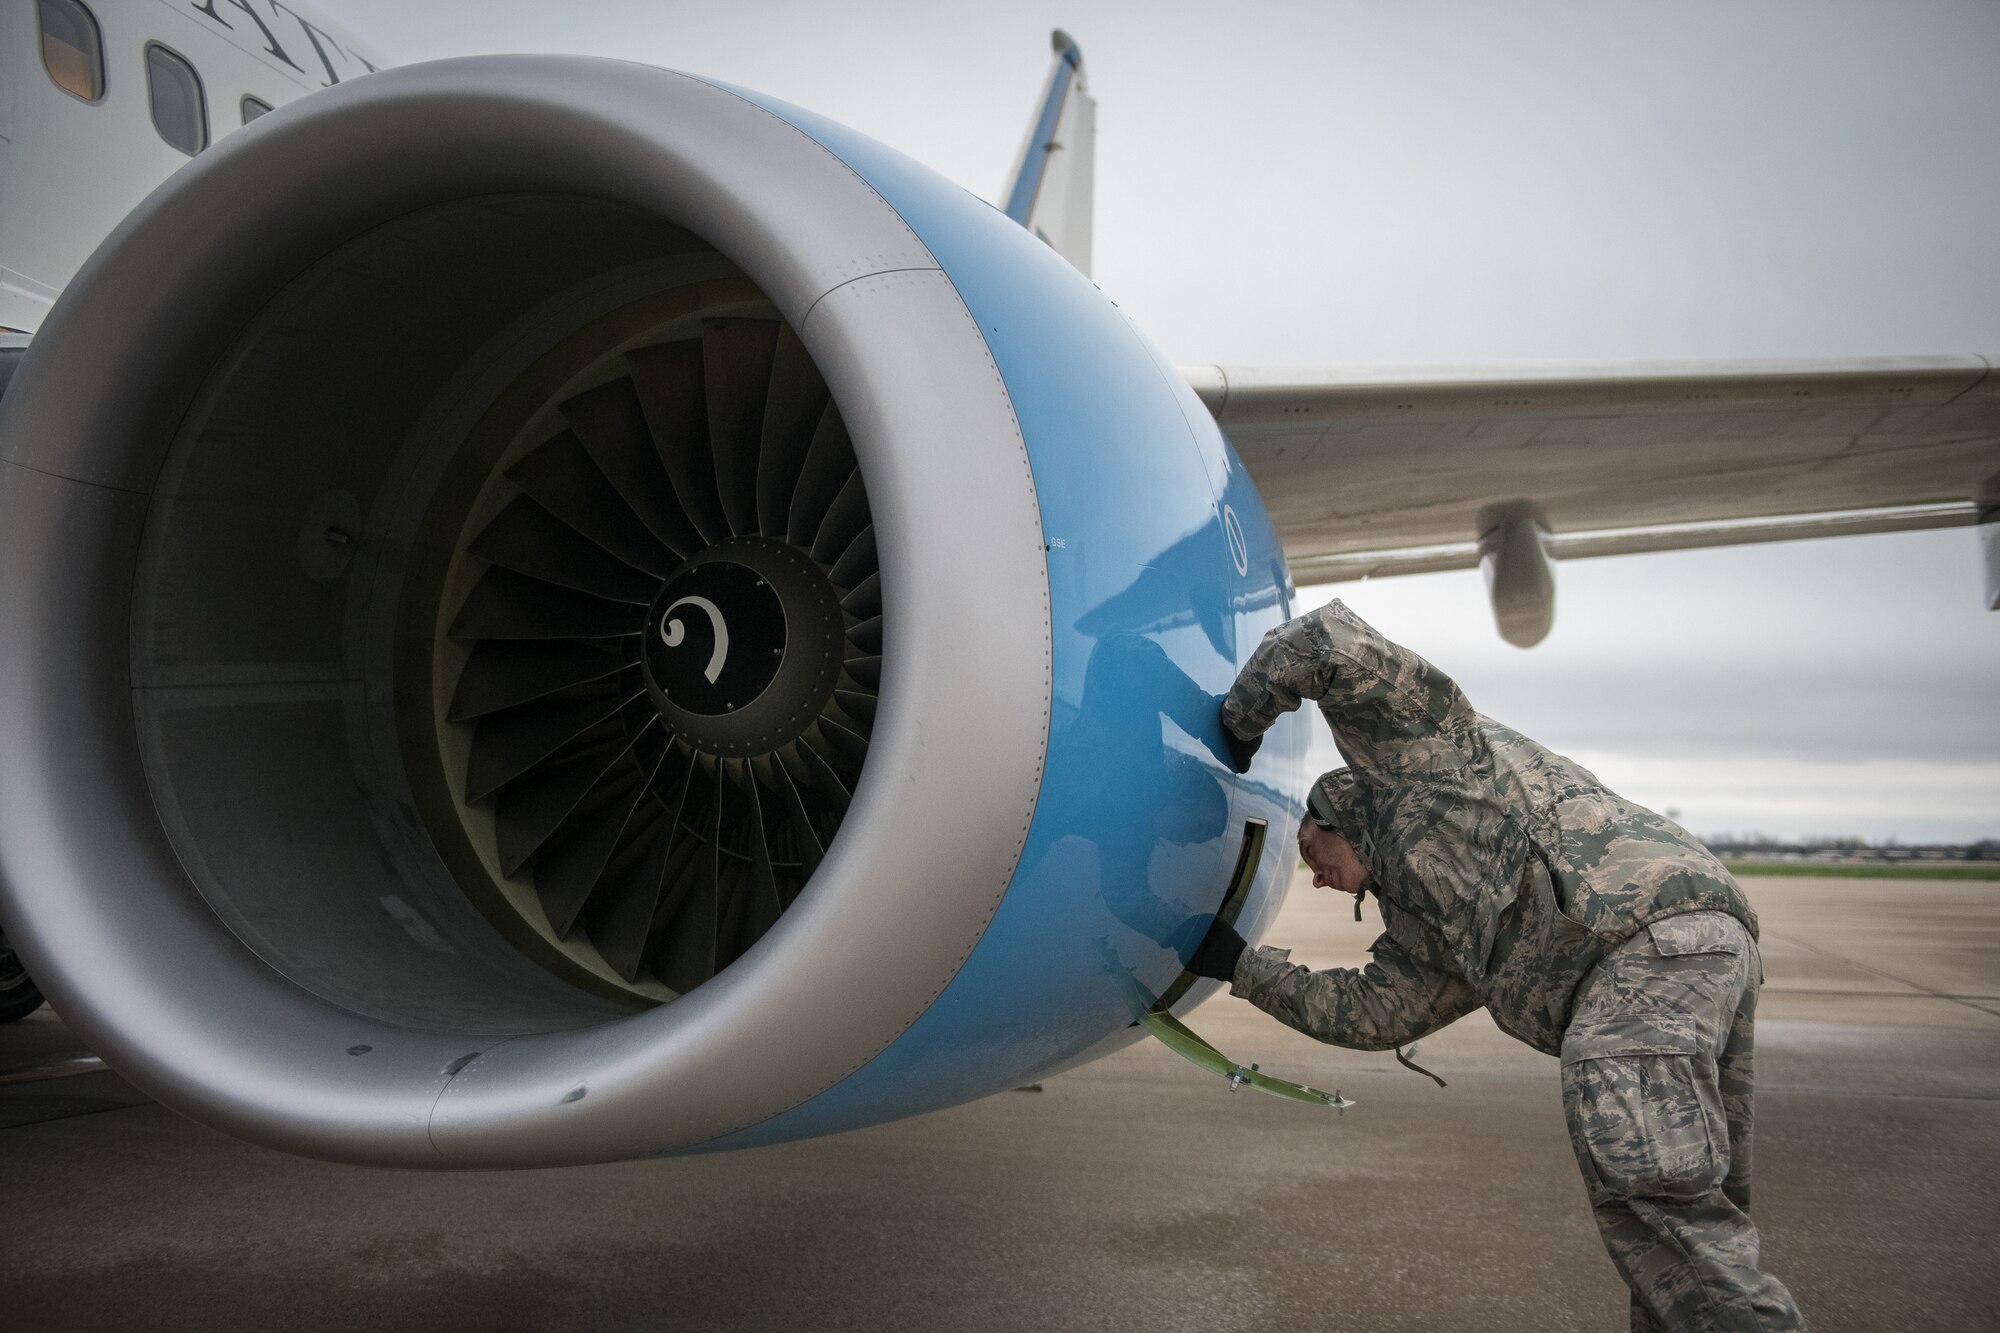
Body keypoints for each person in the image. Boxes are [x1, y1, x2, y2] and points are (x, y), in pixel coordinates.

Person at [1189, 599, 1805, 1332]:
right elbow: (1370, 1012)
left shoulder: (1417, 765)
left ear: (1334, 818)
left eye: (1311, 857)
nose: (1316, 879)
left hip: (1640, 939)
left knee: (1655, 1198)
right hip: (1704, 950)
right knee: (1681, 1229)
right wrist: (1241, 967)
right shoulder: (1430, 927)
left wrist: (1239, 721)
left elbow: (1326, 641)